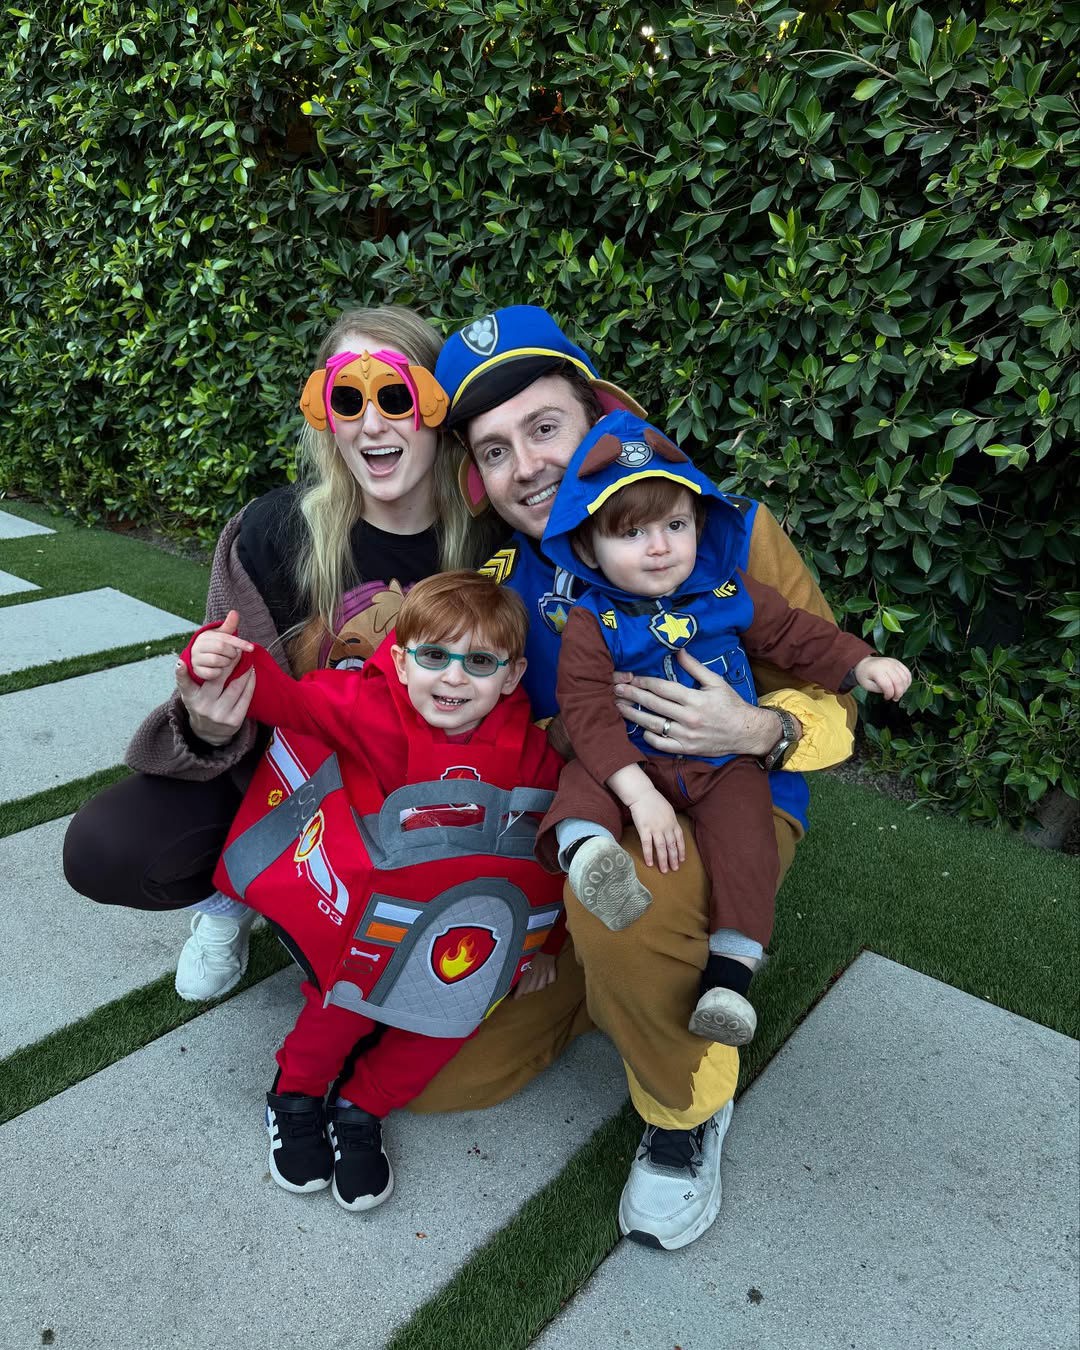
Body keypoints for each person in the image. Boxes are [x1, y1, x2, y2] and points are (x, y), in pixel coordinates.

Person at [400, 305, 860, 1254]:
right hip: (595, 794)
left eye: (543, 428)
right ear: (476, 480)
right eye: (493, 451)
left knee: (628, 903)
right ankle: (598, 990)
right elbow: (501, 712)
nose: (525, 466)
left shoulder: (722, 525)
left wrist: (759, 726)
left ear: (596, 412)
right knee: (446, 1069)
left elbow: (827, 685)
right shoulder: (500, 576)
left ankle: (685, 1105)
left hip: (739, 792)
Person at [63, 305, 490, 1000]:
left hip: (427, 797)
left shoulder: (489, 540)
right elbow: (223, 690)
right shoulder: (273, 532)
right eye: (346, 399)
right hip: (287, 785)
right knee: (105, 846)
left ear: (436, 408)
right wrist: (207, 721)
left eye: (395, 396)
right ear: (325, 414)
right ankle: (230, 902)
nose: (372, 424)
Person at [181, 572, 565, 1210]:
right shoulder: (367, 707)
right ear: (399, 659)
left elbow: (556, 851)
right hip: (370, 921)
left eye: (479, 663)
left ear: (512, 675)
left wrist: (549, 945)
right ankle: (297, 1092)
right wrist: (219, 656)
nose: (453, 679)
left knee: (451, 1023)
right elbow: (285, 700)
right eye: (434, 657)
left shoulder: (533, 754)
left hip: (472, 929)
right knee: (343, 1004)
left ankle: (362, 1107)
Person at [532, 410, 911, 1047]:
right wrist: (639, 795)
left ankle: (730, 975)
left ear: (697, 526)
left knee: (746, 832)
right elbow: (589, 714)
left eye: (675, 526)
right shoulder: (591, 623)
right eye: (631, 533)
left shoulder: (724, 591)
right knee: (581, 777)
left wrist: (859, 662)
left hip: (719, 759)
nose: (659, 546)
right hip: (632, 757)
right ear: (585, 546)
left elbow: (793, 633)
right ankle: (588, 852)